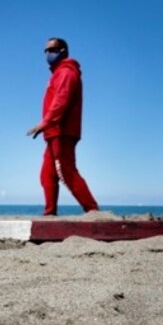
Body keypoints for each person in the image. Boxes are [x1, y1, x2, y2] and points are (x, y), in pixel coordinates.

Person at [27, 37, 99, 216]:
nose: (48, 54)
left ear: (63, 51)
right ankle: (50, 213)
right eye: (46, 51)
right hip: (54, 131)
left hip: (62, 130)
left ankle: (93, 212)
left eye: (52, 50)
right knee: (47, 175)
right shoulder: (58, 73)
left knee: (66, 172)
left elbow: (62, 100)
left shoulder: (66, 72)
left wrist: (46, 122)